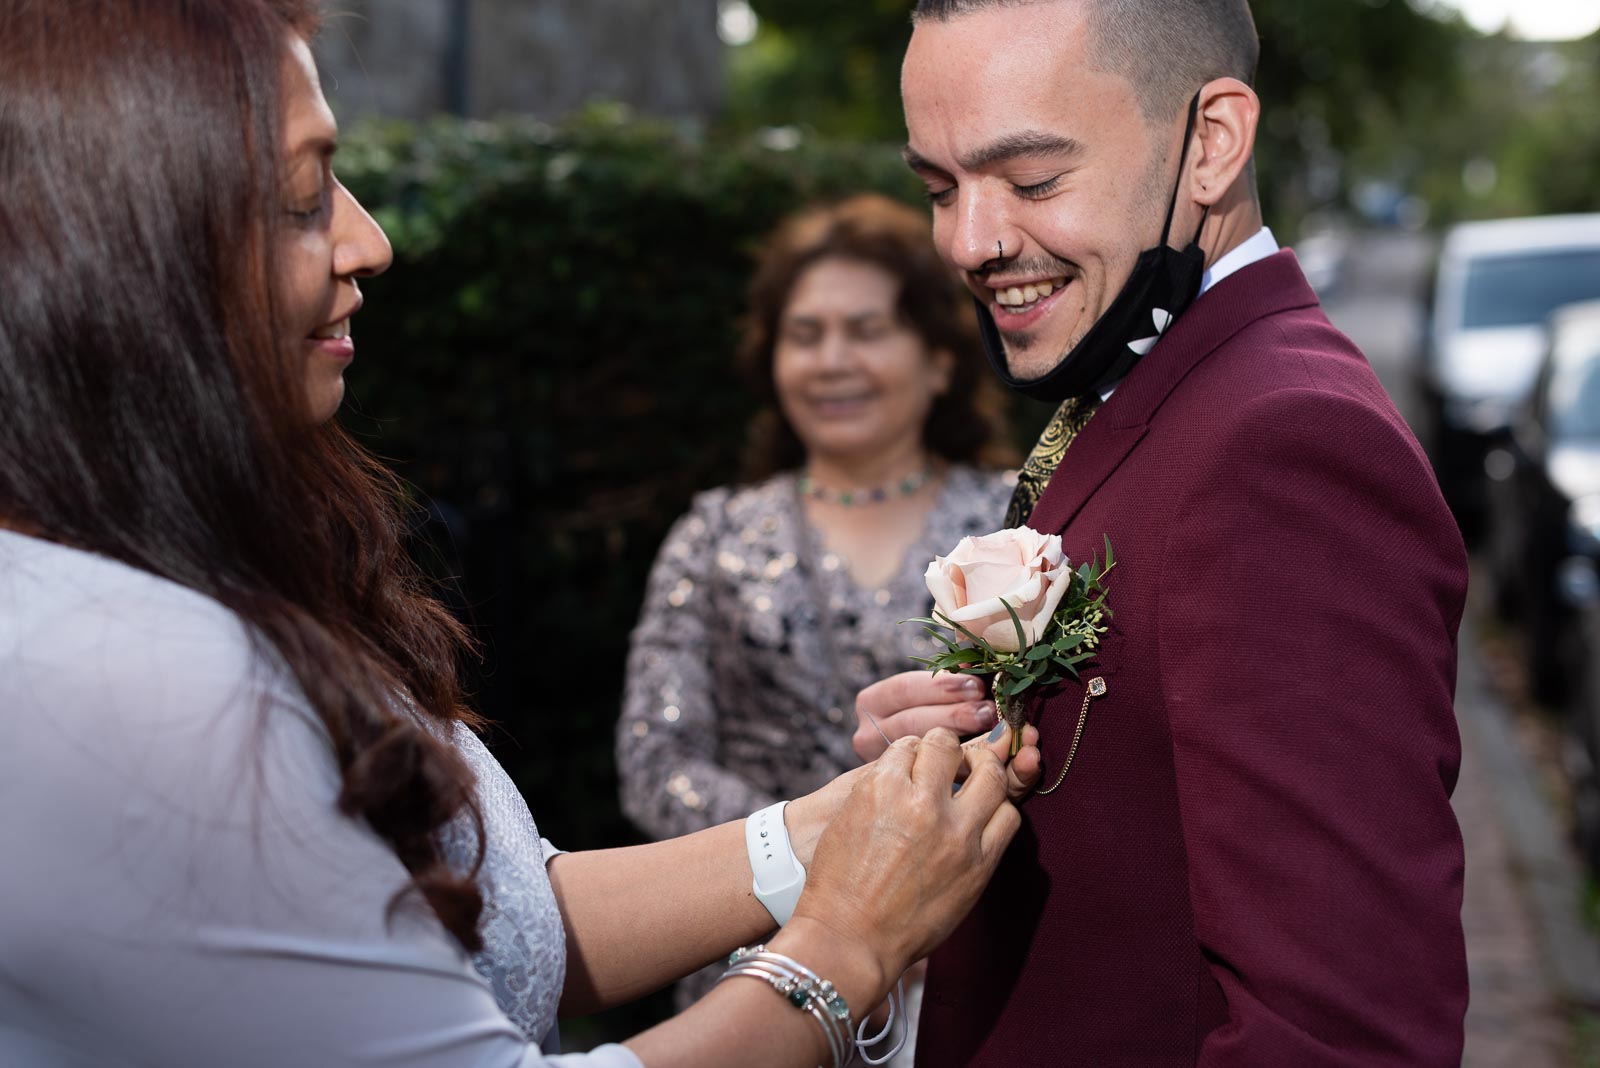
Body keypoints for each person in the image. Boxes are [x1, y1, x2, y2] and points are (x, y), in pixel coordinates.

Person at [0, 4, 1043, 1066]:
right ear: (126, 252)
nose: (371, 239)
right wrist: (847, 944)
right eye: (305, 195)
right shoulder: (143, 690)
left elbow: (502, 927)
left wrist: (842, 831)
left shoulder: (151, 569)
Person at [854, 1, 1471, 1065]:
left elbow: (1342, 1033)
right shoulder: (1152, 375)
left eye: (1034, 179)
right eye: (938, 188)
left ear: (1213, 144)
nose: (970, 241)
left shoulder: (1285, 443)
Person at [614, 194, 1016, 1056]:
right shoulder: (715, 534)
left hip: (976, 958)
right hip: (755, 970)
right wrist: (828, 856)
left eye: (867, 330)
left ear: (939, 359)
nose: (833, 360)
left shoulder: (1017, 525)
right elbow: (656, 762)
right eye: (806, 335)